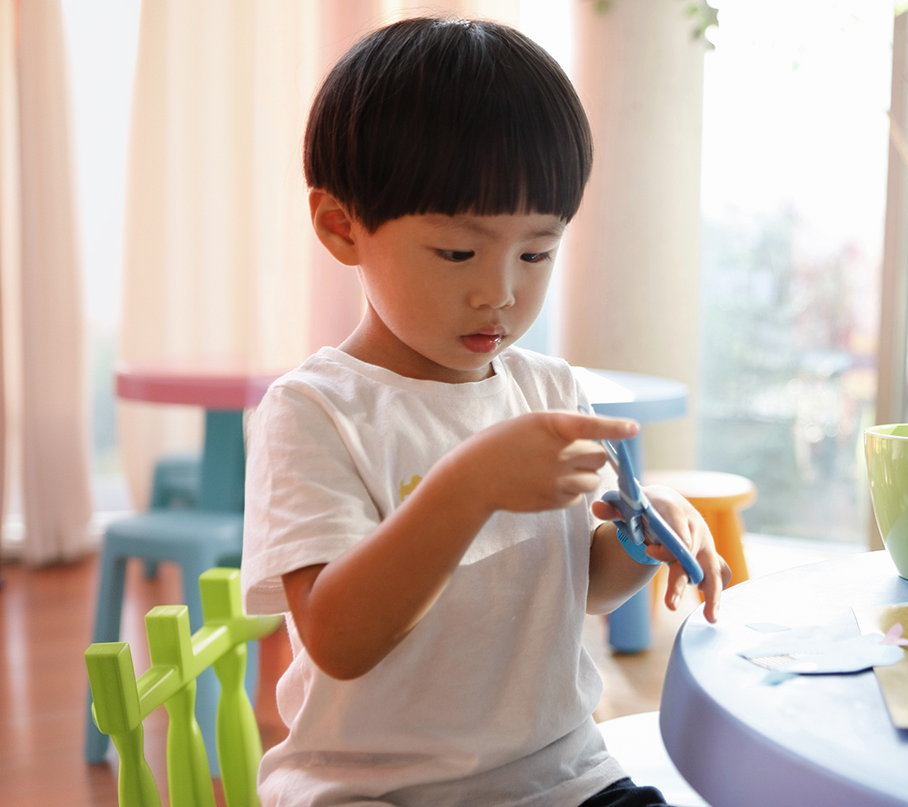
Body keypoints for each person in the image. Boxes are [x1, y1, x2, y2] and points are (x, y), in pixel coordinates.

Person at [241, 15, 730, 807]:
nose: (500, 292)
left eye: (536, 252)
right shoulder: (315, 412)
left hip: (561, 774)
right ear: (342, 227)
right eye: (458, 253)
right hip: (371, 791)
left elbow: (578, 587)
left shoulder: (548, 388)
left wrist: (641, 536)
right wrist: (467, 483)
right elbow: (339, 638)